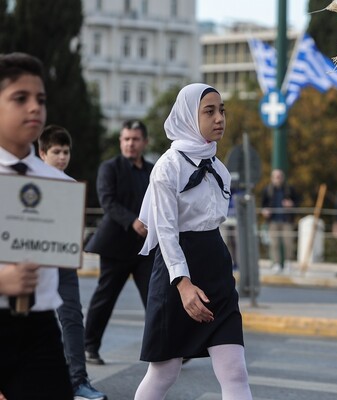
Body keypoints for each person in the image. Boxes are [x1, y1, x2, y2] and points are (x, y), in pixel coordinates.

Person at [134, 83, 252, 400]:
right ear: (189, 116)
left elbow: (213, 226)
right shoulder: (167, 167)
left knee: (235, 371)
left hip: (216, 271)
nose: (219, 118)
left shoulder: (220, 169)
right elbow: (167, 233)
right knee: (165, 372)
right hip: (176, 274)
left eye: (222, 110)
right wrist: (183, 285)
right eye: (209, 111)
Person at [0, 52, 72, 399]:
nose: (34, 108)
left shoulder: (55, 181)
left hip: (40, 327)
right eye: (20, 98)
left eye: (40, 99)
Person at [38, 125, 106, 400]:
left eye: (66, 151)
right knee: (29, 323)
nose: (62, 157)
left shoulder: (70, 186)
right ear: (42, 153)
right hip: (34, 263)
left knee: (72, 319)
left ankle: (78, 381)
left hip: (63, 263)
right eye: (56, 151)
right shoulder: (28, 182)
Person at [84, 120, 154, 365]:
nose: (130, 144)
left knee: (156, 299)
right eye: (126, 139)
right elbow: (108, 202)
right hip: (115, 246)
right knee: (105, 298)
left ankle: (169, 348)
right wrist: (133, 221)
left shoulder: (153, 170)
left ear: (145, 142)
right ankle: (89, 346)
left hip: (145, 248)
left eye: (135, 139)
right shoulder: (109, 167)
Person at [260, 169, 300, 272]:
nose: (278, 179)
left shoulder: (289, 189)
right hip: (273, 221)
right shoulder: (267, 190)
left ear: (283, 178)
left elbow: (297, 201)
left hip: (286, 220)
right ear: (272, 178)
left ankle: (288, 263)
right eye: (276, 177)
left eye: (280, 176)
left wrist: (291, 204)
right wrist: (265, 211)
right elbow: (263, 205)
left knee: (288, 243)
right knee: (274, 244)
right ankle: (276, 264)